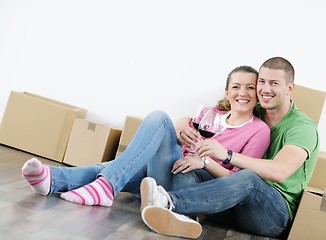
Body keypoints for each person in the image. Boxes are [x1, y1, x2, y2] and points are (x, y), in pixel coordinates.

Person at [21, 65, 270, 214]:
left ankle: (102, 186)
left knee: (156, 121)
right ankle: (52, 179)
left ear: (257, 94)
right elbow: (182, 132)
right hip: (167, 170)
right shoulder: (210, 114)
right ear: (227, 91)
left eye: (250, 87)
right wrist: (181, 130)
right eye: (236, 86)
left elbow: (236, 182)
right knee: (129, 159)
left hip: (186, 188)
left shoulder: (258, 131)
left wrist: (205, 162)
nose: (243, 93)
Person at [140, 56, 320, 239]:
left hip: (271, 215)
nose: (266, 89)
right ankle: (182, 218)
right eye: (262, 82)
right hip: (231, 201)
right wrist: (181, 128)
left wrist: (227, 155)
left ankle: (168, 202)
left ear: (290, 88)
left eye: (274, 83)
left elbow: (279, 171)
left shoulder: (302, 127)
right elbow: (206, 116)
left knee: (248, 177)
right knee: (190, 166)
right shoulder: (255, 109)